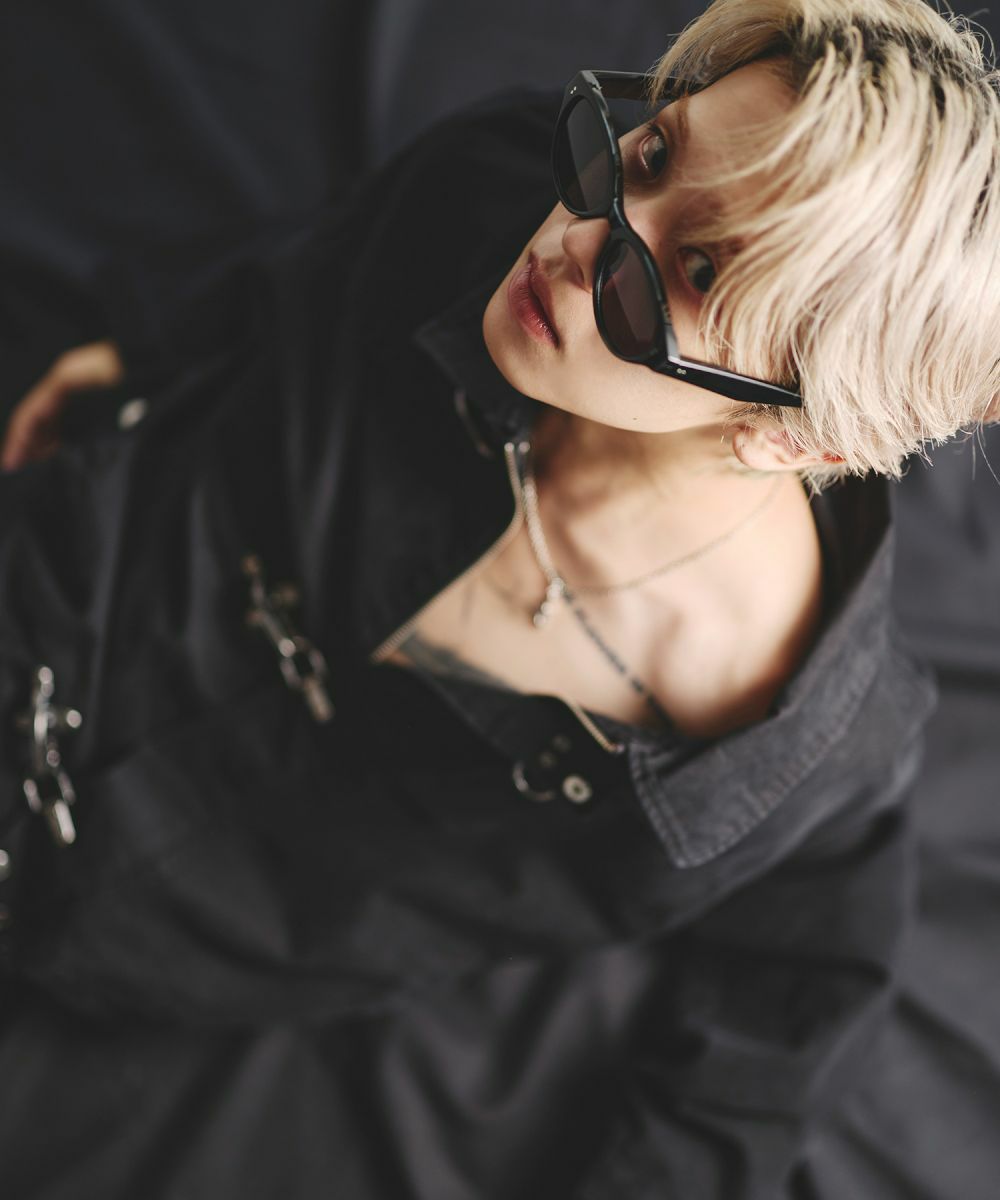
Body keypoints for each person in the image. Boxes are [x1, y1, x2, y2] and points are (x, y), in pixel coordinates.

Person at [0, 1, 998, 1196]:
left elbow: (794, 1011)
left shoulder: (769, 746)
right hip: (68, 576)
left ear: (795, 436)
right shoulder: (490, 183)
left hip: (144, 961)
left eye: (692, 272)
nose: (580, 234)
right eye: (651, 153)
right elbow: (311, 258)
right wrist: (143, 340)